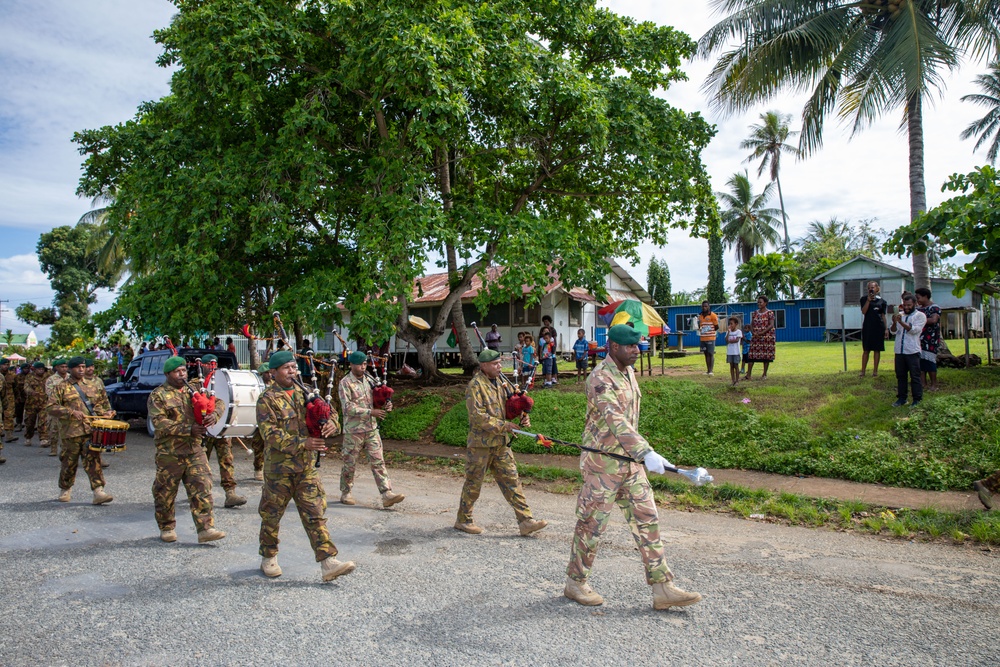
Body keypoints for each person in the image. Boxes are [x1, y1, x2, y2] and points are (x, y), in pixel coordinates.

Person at [564, 324, 701, 609]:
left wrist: (644, 454)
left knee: (648, 518)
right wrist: (645, 451)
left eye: (637, 345)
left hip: (630, 465)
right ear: (614, 347)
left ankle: (663, 588)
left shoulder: (628, 372)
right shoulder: (600, 378)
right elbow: (614, 419)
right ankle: (575, 583)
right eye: (630, 346)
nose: (636, 351)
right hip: (603, 466)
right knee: (591, 525)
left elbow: (628, 421)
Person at [255, 350, 354, 581]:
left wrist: (331, 424)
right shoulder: (267, 400)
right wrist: (304, 443)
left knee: (315, 514)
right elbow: (270, 435)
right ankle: (268, 556)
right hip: (279, 470)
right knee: (271, 515)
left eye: (294, 367)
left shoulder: (308, 392)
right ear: (273, 372)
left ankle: (328, 562)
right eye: (286, 368)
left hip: (306, 469)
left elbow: (330, 413)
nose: (292, 371)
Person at [454, 348, 547, 537]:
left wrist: (522, 415)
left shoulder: (502, 382)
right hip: (481, 444)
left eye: (500, 363)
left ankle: (525, 521)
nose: (499, 367)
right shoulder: (475, 386)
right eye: (495, 364)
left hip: (501, 443)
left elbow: (513, 402)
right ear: (484, 366)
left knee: (512, 480)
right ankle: (463, 519)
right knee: (474, 483)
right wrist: (504, 426)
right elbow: (477, 417)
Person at [148, 356, 227, 543]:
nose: (181, 374)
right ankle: (166, 526)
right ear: (167, 374)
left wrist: (214, 415)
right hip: (170, 452)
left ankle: (205, 528)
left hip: (194, 449)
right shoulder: (158, 395)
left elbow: (220, 402)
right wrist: (187, 429)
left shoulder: (194, 389)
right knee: (165, 491)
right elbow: (159, 423)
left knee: (202, 486)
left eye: (183, 370)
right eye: (177, 372)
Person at [338, 351, 405, 508]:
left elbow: (378, 397)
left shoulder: (370, 379)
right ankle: (346, 491)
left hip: (371, 428)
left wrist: (386, 403)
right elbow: (347, 408)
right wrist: (370, 412)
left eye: (364, 363)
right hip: (353, 430)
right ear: (351, 365)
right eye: (359, 364)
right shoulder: (345, 383)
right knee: (350, 462)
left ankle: (386, 493)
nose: (363, 366)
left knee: (378, 461)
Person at [50, 357, 115, 504]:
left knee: (94, 461)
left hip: (90, 431)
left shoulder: (93, 386)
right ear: (70, 369)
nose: (81, 369)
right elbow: (51, 407)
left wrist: (106, 414)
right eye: (77, 367)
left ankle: (98, 491)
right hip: (70, 432)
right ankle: (65, 489)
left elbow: (100, 406)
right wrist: (70, 412)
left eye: (83, 366)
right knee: (69, 462)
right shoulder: (61, 387)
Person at [197, 354, 247, 508]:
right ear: (202, 366)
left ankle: (230, 494)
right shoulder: (195, 384)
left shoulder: (223, 382)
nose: (212, 367)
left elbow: (224, 402)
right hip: (203, 430)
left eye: (214, 364)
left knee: (226, 460)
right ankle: (199, 494)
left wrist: (217, 415)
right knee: (200, 462)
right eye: (208, 364)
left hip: (220, 428)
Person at [890, 293, 926, 408]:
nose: (906, 307)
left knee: (915, 376)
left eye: (909, 305)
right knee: (900, 376)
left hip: (912, 351)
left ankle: (917, 399)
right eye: (904, 305)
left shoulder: (920, 316)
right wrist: (895, 323)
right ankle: (902, 398)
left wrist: (901, 322)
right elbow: (893, 331)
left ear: (915, 304)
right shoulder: (899, 315)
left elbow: (914, 330)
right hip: (899, 351)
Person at [915, 287, 941, 391]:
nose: (918, 300)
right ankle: (923, 383)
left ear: (926, 296)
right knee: (920, 362)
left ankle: (934, 384)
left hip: (931, 338)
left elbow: (933, 320)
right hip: (918, 338)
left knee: (930, 361)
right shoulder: (918, 309)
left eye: (919, 298)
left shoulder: (934, 308)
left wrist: (920, 320)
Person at [859, 281, 888, 378]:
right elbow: (864, 311)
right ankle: (863, 371)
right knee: (866, 350)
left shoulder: (882, 301)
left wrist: (886, 329)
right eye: (869, 288)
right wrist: (868, 300)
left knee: (877, 349)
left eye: (873, 287)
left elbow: (883, 315)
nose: (871, 289)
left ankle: (875, 371)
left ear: (877, 289)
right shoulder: (863, 299)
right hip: (868, 326)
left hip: (878, 327)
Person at [745, 295, 776, 380]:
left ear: (765, 303)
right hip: (756, 337)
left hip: (766, 338)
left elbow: (771, 325)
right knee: (752, 355)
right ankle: (748, 375)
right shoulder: (755, 313)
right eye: (758, 302)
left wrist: (762, 332)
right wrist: (753, 332)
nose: (759, 303)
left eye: (760, 302)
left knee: (766, 356)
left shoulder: (770, 313)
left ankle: (764, 374)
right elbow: (752, 324)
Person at [250, 363, 272, 481]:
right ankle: (258, 468)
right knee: (258, 445)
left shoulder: (275, 385)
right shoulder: (256, 386)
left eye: (270, 372)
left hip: (271, 419)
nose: (269, 375)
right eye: (266, 373)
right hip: (259, 419)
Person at [44, 359, 70, 457]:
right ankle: (53, 448)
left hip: (68, 407)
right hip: (56, 406)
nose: (64, 369)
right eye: (62, 367)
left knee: (68, 429)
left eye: (65, 367)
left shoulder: (70, 378)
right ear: (57, 368)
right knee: (53, 428)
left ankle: (66, 449)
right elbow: (50, 393)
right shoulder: (51, 379)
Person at [22, 362, 49, 449]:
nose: (41, 371)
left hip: (44, 403)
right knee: (30, 422)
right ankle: (28, 437)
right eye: (39, 369)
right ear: (35, 370)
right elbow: (26, 387)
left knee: (43, 421)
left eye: (42, 369)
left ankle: (43, 439)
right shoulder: (29, 377)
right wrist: (31, 392)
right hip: (31, 403)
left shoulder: (47, 376)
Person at [697, 301, 720, 376]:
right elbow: (699, 326)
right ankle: (707, 370)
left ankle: (711, 371)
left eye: (706, 306)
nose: (704, 308)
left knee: (711, 353)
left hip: (710, 337)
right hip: (703, 338)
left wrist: (709, 329)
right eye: (703, 306)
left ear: (709, 307)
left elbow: (716, 327)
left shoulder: (713, 315)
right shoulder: (700, 316)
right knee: (705, 354)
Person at [538, 315, 559, 383]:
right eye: (544, 322)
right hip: (544, 352)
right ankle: (546, 378)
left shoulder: (553, 329)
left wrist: (554, 349)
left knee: (553, 365)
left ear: (549, 322)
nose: (545, 323)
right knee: (545, 366)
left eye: (547, 321)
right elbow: (541, 343)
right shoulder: (542, 330)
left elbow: (554, 340)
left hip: (551, 350)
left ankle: (554, 378)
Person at [724, 317, 743, 387]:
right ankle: (733, 380)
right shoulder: (728, 332)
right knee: (731, 366)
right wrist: (728, 332)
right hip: (729, 352)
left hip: (736, 352)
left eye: (732, 324)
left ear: (736, 324)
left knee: (736, 366)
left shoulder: (738, 332)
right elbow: (726, 339)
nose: (730, 325)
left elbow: (737, 340)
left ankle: (737, 380)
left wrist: (729, 341)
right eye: (729, 324)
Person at [1, 358, 15, 442]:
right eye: (4, 364)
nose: (6, 366)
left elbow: (16, 388)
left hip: (9, 398)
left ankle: (9, 434)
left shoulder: (12, 375)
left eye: (7, 365)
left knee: (9, 416)